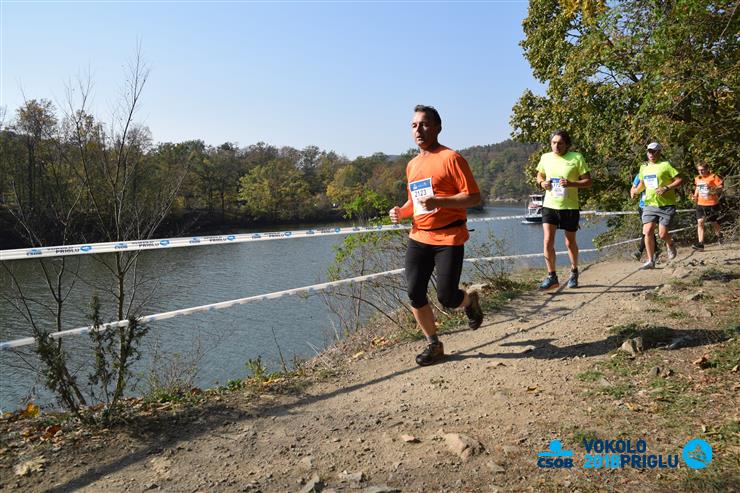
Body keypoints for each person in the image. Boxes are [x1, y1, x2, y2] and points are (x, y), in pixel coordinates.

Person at [388, 105, 483, 366]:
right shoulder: (412, 165)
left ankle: (469, 300)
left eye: (424, 124)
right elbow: (415, 203)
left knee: (447, 298)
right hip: (419, 237)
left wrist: (440, 201)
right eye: (414, 125)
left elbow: (473, 197)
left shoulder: (451, 158)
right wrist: (401, 212)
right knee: (414, 293)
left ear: (438, 128)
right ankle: (434, 344)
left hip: (449, 237)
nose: (418, 130)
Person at [535, 130, 592, 290]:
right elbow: (539, 175)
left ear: (567, 144)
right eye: (553, 143)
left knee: (569, 242)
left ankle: (574, 272)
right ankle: (551, 276)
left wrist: (571, 183)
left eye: (560, 143)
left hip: (569, 207)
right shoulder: (545, 157)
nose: (556, 146)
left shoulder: (576, 157)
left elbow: (588, 182)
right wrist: (542, 183)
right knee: (547, 241)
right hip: (550, 205)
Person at [631, 142, 683, 269]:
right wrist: (635, 190)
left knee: (662, 234)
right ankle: (650, 260)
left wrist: (666, 188)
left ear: (659, 152)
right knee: (647, 231)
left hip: (666, 204)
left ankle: (670, 243)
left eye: (654, 151)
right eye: (649, 151)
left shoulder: (666, 165)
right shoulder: (643, 167)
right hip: (649, 204)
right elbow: (642, 184)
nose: (651, 154)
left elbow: (679, 180)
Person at [691, 163, 723, 250]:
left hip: (712, 203)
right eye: (699, 170)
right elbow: (697, 188)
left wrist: (713, 188)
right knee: (700, 222)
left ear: (707, 169)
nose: (700, 172)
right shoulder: (697, 178)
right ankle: (700, 244)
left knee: (713, 222)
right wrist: (695, 196)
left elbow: (720, 186)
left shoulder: (713, 176)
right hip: (700, 204)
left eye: (702, 170)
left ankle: (719, 235)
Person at [630, 173, 660, 261]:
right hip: (642, 206)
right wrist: (633, 192)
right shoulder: (639, 175)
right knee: (648, 229)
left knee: (648, 229)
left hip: (654, 205)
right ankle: (655, 250)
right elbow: (633, 188)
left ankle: (641, 251)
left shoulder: (657, 173)